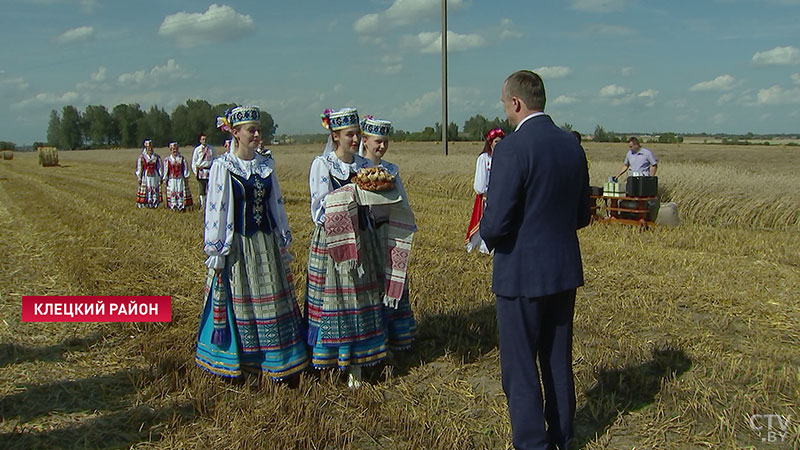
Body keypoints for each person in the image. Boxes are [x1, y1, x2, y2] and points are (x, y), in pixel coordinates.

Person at [480, 70, 590, 450]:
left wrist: (490, 237)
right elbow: (582, 215)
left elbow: (495, 221)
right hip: (562, 270)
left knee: (521, 364)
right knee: (557, 359)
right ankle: (562, 436)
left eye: (504, 103)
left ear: (515, 103)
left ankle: (531, 443)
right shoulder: (572, 146)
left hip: (520, 273)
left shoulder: (511, 148)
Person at [195, 105, 309, 381]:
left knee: (272, 301)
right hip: (239, 247)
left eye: (258, 129)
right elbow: (217, 209)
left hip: (265, 243)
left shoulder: (265, 165)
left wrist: (283, 237)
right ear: (235, 133)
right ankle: (246, 362)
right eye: (251, 130)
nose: (257, 134)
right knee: (243, 301)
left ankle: (276, 360)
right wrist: (217, 248)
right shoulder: (223, 167)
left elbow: (276, 203)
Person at [306, 107, 387, 389]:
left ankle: (357, 362)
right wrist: (351, 194)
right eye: (350, 135)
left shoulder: (364, 165)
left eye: (357, 134)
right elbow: (319, 209)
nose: (355, 139)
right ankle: (331, 360)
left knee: (360, 298)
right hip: (334, 241)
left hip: (362, 238)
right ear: (335, 136)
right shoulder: (323, 165)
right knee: (336, 300)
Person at [359, 115, 418, 353]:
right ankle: (374, 340)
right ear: (365, 140)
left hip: (387, 232)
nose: (382, 146)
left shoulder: (391, 170)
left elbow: (402, 200)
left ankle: (397, 338)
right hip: (367, 232)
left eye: (385, 142)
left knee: (391, 282)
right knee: (371, 285)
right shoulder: (358, 169)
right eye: (377, 141)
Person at [466, 128, 504, 253]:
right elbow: (480, 184)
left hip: (500, 197)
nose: (499, 144)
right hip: (487, 197)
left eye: (501, 142)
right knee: (486, 222)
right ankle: (483, 247)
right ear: (490, 143)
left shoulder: (504, 159)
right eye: (496, 142)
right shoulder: (484, 159)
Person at [162, 142, 193, 211]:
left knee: (180, 191)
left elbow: (185, 168)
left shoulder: (182, 159)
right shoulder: (168, 159)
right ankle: (173, 206)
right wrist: (165, 179)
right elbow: (166, 170)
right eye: (173, 149)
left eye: (175, 149)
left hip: (180, 178)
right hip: (171, 179)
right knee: (173, 191)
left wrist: (186, 177)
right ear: (170, 150)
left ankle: (181, 206)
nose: (174, 150)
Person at [135, 139, 162, 208]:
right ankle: (145, 203)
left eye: (151, 147)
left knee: (154, 188)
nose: (150, 148)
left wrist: (160, 176)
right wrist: (139, 177)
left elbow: (159, 167)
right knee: (146, 188)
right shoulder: (142, 157)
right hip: (145, 176)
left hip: (154, 176)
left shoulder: (156, 157)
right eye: (148, 147)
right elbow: (139, 168)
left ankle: (154, 203)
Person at [191, 133, 215, 207]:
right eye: (203, 139)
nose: (204, 140)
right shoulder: (197, 150)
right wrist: (195, 172)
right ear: (200, 140)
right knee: (202, 189)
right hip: (201, 172)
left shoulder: (211, 149)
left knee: (210, 189)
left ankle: (210, 204)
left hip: (209, 171)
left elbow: (214, 159)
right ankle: (202, 204)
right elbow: (194, 162)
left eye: (205, 139)